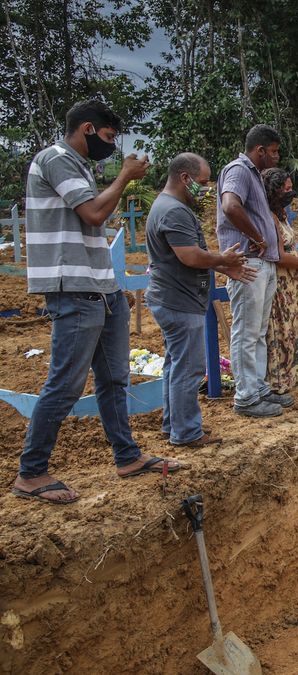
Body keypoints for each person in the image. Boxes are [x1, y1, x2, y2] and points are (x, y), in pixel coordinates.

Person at [13, 100, 184, 505]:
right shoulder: (55, 159)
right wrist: (125, 175)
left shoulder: (80, 166)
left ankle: (127, 456)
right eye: (108, 137)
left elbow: (93, 218)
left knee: (114, 379)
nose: (111, 146)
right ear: (87, 128)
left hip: (99, 287)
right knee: (66, 383)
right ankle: (31, 472)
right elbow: (92, 214)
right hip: (73, 287)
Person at [147, 153, 251, 448]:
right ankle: (187, 432)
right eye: (203, 182)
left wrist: (221, 265)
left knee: (175, 364)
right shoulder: (174, 212)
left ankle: (174, 425)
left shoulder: (168, 206)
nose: (207, 189)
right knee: (189, 368)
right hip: (179, 300)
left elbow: (187, 253)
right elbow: (189, 256)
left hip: (173, 296)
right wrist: (223, 257)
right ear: (185, 178)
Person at [217, 123, 289, 417]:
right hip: (249, 263)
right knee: (247, 331)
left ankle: (257, 387)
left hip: (263, 263)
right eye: (273, 152)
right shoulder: (238, 170)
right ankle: (246, 396)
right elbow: (230, 206)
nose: (276, 158)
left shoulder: (254, 175)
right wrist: (257, 238)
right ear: (259, 150)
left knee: (257, 331)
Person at [262, 168, 298, 393]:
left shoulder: (281, 214)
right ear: (274, 190)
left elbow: (290, 249)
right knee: (282, 331)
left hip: (290, 284)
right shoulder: (270, 217)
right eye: (286, 189)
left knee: (296, 328)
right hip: (279, 284)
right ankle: (281, 380)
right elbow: (278, 256)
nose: (290, 192)